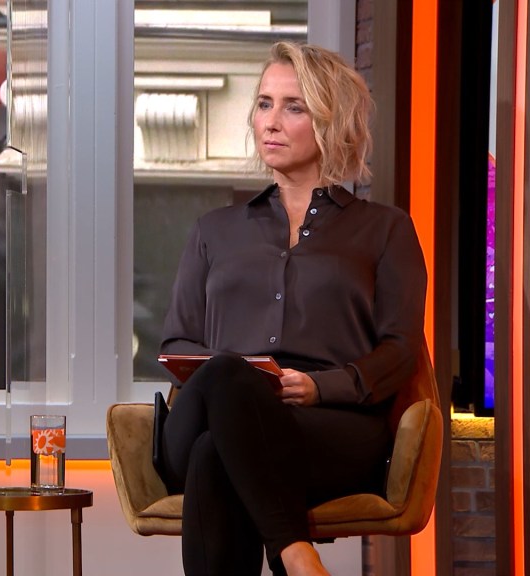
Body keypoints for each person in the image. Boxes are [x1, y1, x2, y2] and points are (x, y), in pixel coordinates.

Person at [158, 42, 427, 576]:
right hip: (209, 408)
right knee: (229, 376)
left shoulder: (385, 229)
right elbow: (175, 343)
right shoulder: (214, 229)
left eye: (293, 107)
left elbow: (399, 351)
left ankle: (289, 550)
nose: (271, 122)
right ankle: (295, 553)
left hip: (327, 427)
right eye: (264, 104)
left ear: (332, 122)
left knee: (217, 455)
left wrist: (321, 386)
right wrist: (239, 375)